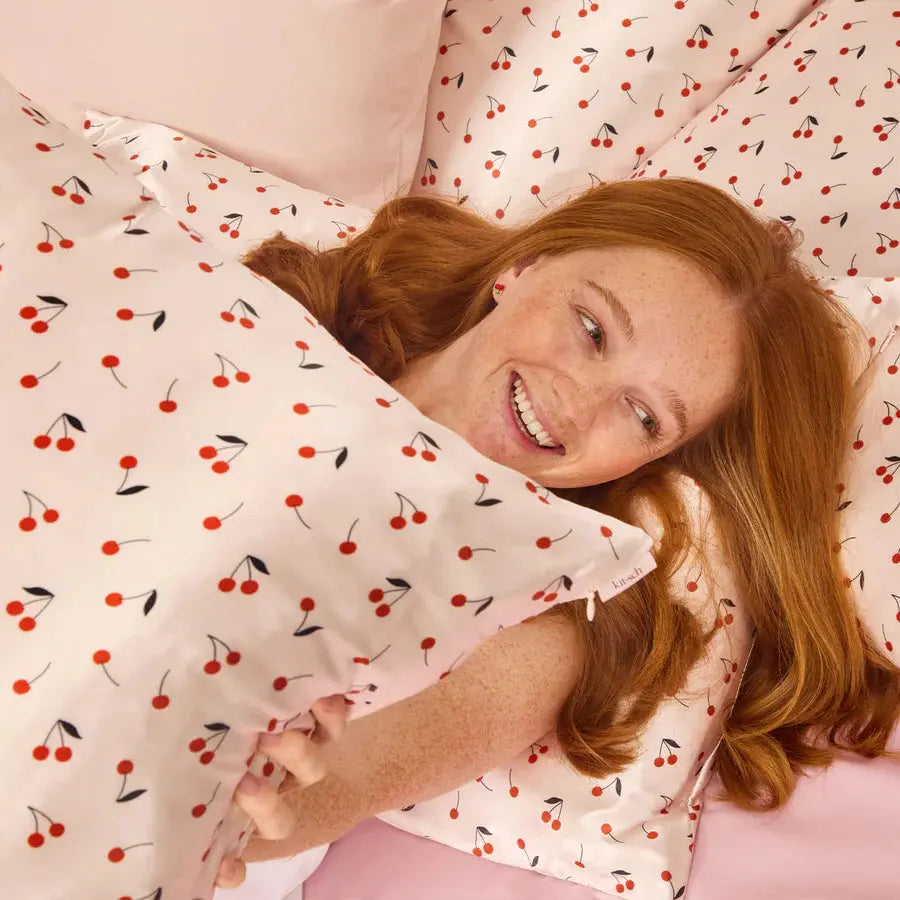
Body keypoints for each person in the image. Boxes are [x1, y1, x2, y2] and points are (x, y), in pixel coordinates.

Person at [214, 177, 900, 890]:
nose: (578, 404)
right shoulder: (277, 319)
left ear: (654, 460)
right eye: (593, 330)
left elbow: (360, 773)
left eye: (643, 416)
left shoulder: (561, 606)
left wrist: (243, 797)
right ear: (523, 267)